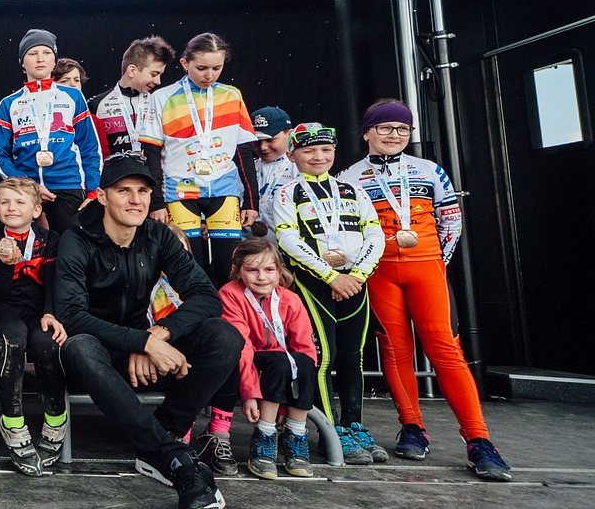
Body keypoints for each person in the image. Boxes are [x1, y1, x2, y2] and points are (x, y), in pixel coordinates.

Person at [53, 153, 243, 509]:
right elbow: (72, 315)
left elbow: (206, 297)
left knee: (224, 335)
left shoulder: (158, 235)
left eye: (142, 191)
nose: (135, 200)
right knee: (79, 347)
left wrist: (158, 335)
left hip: (145, 346)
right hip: (98, 354)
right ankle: (175, 458)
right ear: (102, 197)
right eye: (123, 191)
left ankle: (162, 442)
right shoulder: (76, 238)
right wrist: (140, 342)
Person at [339, 99, 513, 481]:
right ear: (367, 132)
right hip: (379, 272)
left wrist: (438, 262)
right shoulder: (347, 178)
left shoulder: (429, 170)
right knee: (395, 350)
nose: (394, 135)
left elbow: (451, 220)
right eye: (385, 128)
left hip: (427, 267)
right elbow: (346, 232)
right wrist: (362, 267)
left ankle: (479, 440)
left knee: (445, 350)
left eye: (402, 129)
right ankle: (412, 427)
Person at [272, 122, 386, 464]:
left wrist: (357, 275)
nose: (318, 156)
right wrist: (331, 276)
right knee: (324, 357)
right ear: (292, 154)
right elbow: (288, 240)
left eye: (325, 150)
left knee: (353, 357)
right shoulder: (286, 192)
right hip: (315, 283)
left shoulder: (353, 190)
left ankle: (354, 425)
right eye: (308, 151)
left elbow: (375, 234)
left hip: (355, 281)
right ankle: (329, 432)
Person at [139, 32, 261, 286]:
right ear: (185, 63)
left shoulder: (232, 95)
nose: (210, 75)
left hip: (223, 187)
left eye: (217, 68)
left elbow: (244, 151)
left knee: (229, 264)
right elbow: (151, 153)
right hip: (179, 189)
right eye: (202, 68)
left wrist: (251, 200)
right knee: (189, 264)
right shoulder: (162, 97)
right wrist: (156, 201)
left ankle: (227, 312)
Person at [0, 178, 68, 475]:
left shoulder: (50, 239)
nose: (11, 207)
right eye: (4, 202)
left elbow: (52, 281)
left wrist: (50, 312)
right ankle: (13, 423)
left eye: (19, 202)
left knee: (46, 342)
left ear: (36, 209)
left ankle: (56, 417)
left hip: (36, 310)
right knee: (14, 337)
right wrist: (4, 263)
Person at [219, 238, 320, 479]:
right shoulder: (230, 295)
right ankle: (264, 435)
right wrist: (250, 393)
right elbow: (243, 348)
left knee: (305, 361)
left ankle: (295, 435)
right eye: (252, 270)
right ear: (237, 271)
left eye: (269, 269)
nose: (262, 277)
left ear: (279, 270)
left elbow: (305, 348)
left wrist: (285, 403)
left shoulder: (291, 299)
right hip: (247, 365)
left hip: (283, 367)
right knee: (278, 361)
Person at [0, 29, 102, 234]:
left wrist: (93, 191)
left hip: (68, 186)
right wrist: (26, 183)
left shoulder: (73, 97)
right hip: (24, 188)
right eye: (32, 53)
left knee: (68, 245)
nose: (40, 58)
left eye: (46, 52)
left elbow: (90, 148)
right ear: (22, 62)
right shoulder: (9, 103)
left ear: (54, 60)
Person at [89, 35, 175, 159]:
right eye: (154, 74)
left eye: (160, 75)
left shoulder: (159, 103)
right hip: (112, 171)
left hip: (151, 171)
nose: (158, 81)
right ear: (132, 71)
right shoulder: (96, 104)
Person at [250, 105, 296, 238]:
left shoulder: (299, 167)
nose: (263, 147)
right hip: (248, 246)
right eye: (257, 141)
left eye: (270, 140)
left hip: (286, 246)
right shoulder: (247, 168)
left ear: (289, 134)